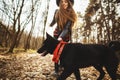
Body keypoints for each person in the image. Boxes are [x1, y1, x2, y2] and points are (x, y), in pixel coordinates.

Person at [49, 0, 77, 76]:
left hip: (65, 35)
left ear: (69, 3)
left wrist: (61, 37)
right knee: (56, 51)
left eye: (66, 1)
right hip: (56, 33)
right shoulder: (57, 11)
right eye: (62, 2)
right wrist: (50, 25)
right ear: (59, 3)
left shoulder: (71, 14)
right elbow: (54, 20)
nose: (64, 3)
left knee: (63, 52)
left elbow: (66, 28)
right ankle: (56, 70)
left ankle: (62, 66)